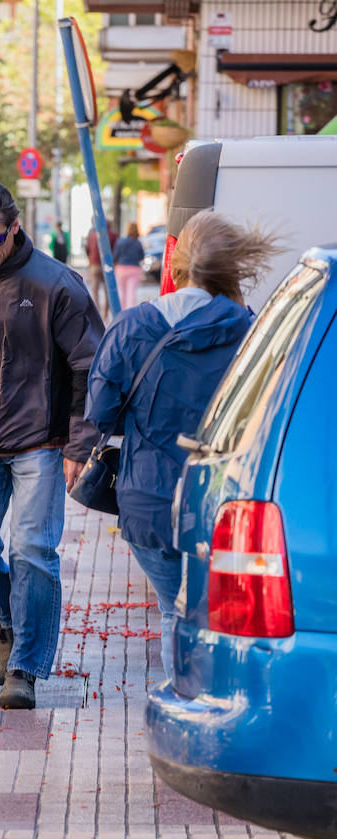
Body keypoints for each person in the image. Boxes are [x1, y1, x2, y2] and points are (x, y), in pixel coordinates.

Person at [0, 177, 104, 710]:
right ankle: (12, 617)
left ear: (15, 229)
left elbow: (89, 366)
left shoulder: (57, 284)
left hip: (41, 441)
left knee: (32, 550)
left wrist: (79, 445)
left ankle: (26, 668)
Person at [85, 212, 277, 682]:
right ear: (232, 271)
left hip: (148, 499)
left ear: (173, 267)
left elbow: (99, 414)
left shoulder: (131, 328)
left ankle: (185, 708)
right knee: (223, 619)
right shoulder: (257, 332)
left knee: (175, 612)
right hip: (227, 505)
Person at [85, 224, 118, 318]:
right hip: (107, 265)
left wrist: (91, 260)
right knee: (107, 290)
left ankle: (97, 313)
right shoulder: (113, 235)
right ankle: (105, 313)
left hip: (94, 264)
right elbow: (115, 251)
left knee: (94, 290)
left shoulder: (92, 235)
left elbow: (87, 249)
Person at [113, 222, 146, 308]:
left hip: (121, 269)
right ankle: (129, 313)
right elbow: (141, 257)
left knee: (121, 292)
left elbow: (115, 256)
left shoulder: (120, 241)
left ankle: (120, 312)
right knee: (131, 293)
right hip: (134, 269)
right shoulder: (138, 243)